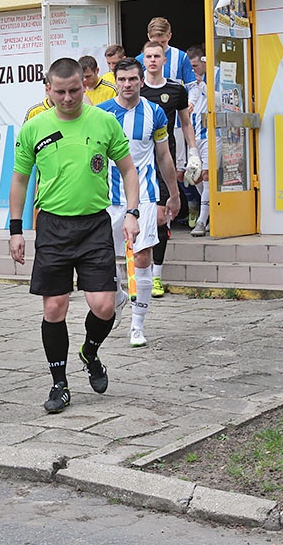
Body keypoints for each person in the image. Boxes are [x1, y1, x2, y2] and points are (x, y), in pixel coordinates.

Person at [9, 58, 141, 414]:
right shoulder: (34, 128)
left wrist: (131, 212)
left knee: (104, 305)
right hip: (52, 226)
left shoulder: (104, 121)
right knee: (55, 307)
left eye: (75, 90)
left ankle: (90, 352)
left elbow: (128, 170)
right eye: (61, 92)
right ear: (48, 90)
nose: (68, 98)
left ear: (85, 86)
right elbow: (20, 180)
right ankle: (59, 383)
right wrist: (16, 229)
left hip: (94, 225)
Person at [98, 58, 180, 347]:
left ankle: (137, 325)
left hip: (144, 197)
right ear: (115, 81)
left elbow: (163, 156)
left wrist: (173, 193)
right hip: (107, 199)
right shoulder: (100, 114)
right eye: (122, 79)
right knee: (102, 260)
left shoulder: (155, 113)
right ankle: (119, 296)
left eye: (133, 79)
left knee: (142, 257)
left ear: (141, 81)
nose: (127, 85)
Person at [140, 41, 199, 298]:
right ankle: (137, 273)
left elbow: (186, 123)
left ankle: (156, 276)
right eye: (148, 56)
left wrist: (194, 151)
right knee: (140, 216)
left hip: (165, 158)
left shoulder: (176, 89)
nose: (152, 60)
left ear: (165, 60)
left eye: (157, 56)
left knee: (161, 216)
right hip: (138, 162)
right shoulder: (135, 88)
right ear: (143, 59)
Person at [186, 45, 211, 237]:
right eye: (190, 66)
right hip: (193, 135)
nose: (192, 69)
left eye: (195, 65)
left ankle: (202, 220)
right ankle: (210, 212)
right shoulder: (189, 83)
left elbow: (221, 100)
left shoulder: (214, 76)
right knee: (194, 176)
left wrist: (202, 84)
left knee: (207, 174)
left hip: (212, 134)